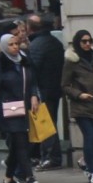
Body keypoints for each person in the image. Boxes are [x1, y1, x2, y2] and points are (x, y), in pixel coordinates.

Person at [0, 33, 41, 183]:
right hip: (9, 109)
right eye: (11, 44)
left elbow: (33, 80)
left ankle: (8, 180)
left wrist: (34, 95)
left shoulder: (24, 60)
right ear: (3, 47)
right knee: (21, 141)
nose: (15, 47)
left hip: (25, 107)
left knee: (17, 144)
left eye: (16, 43)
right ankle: (29, 177)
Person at [62, 30, 93, 183]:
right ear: (78, 42)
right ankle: (92, 172)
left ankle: (84, 161)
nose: (88, 44)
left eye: (90, 40)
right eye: (84, 41)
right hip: (82, 107)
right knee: (89, 137)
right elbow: (65, 85)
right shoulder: (72, 61)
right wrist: (79, 94)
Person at [27, 13, 65, 169]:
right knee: (48, 122)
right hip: (53, 88)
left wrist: (33, 93)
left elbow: (32, 71)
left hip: (43, 90)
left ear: (30, 29)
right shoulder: (54, 42)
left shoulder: (36, 45)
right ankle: (44, 156)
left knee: (44, 124)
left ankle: (50, 157)